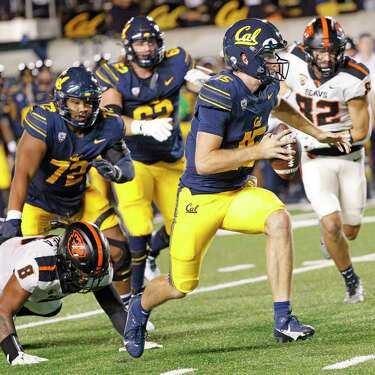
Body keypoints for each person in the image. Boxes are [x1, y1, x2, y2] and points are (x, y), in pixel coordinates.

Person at [123, 18, 350, 358]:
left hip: (238, 191)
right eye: (269, 53)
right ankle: (138, 310)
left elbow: (279, 106)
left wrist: (318, 133)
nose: (277, 60)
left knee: (278, 219)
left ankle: (283, 319)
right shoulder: (220, 91)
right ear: (246, 58)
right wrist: (260, 151)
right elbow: (204, 162)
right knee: (180, 285)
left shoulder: (267, 84)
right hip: (201, 198)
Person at [0, 66, 134, 300]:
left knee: (119, 251)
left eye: (89, 102)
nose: (83, 109)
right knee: (29, 275)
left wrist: (114, 172)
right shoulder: (44, 121)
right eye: (75, 102)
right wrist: (14, 216)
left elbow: (127, 168)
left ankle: (128, 308)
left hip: (79, 196)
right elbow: (22, 173)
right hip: (39, 202)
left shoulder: (108, 123)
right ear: (62, 101)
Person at [95, 15, 207, 296]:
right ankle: (134, 298)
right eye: (140, 43)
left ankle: (153, 255)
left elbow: (197, 85)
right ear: (129, 46)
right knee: (138, 227)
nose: (146, 48)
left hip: (171, 159)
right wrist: (142, 126)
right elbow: (110, 118)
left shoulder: (177, 61)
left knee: (185, 226)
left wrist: (203, 82)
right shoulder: (115, 74)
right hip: (134, 161)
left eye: (151, 41)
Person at [280, 16, 370, 303]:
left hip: (349, 157)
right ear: (307, 49)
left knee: (350, 230)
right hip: (314, 158)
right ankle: (351, 280)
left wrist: (326, 136)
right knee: (331, 223)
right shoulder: (291, 62)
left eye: (332, 51)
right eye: (320, 50)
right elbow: (270, 92)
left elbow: (361, 131)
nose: (326, 57)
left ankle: (330, 240)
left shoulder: (354, 75)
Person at [0, 221, 128, 366]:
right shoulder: (38, 265)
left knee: (51, 307)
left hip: (28, 284)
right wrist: (15, 355)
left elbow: (113, 307)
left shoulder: (94, 266)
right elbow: (2, 310)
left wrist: (132, 337)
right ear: (65, 258)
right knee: (8, 308)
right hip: (3, 269)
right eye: (82, 273)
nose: (87, 279)